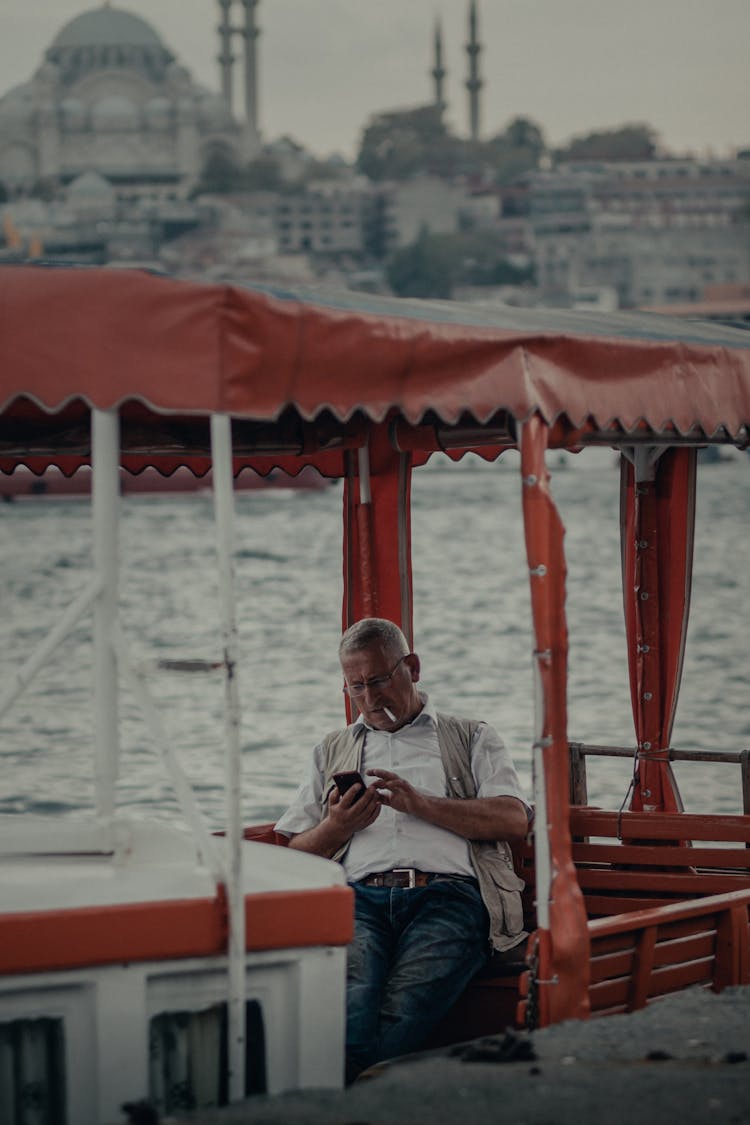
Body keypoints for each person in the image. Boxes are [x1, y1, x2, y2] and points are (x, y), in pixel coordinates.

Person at [274, 618, 530, 1083]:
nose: (370, 699)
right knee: (352, 1000)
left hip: (448, 899)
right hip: (359, 902)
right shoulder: (331, 750)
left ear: (411, 667)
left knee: (406, 1003)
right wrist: (335, 827)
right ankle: (359, 1096)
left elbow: (514, 819)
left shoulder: (470, 736)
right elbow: (294, 854)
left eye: (378, 680)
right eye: (356, 687)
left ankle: (337, 1097)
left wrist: (423, 805)